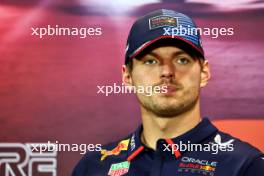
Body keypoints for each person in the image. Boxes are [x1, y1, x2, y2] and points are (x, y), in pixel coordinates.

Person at [72, 9, 264, 176]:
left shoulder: (246, 165)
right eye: (150, 61)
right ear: (127, 76)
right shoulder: (94, 166)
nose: (167, 72)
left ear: (204, 73)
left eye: (182, 60)